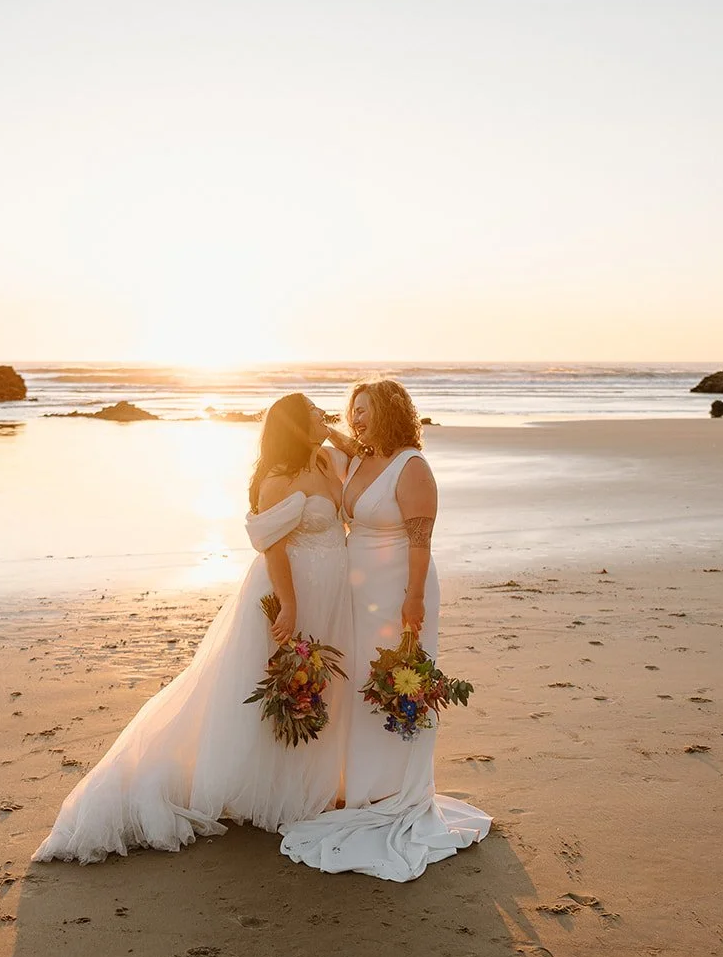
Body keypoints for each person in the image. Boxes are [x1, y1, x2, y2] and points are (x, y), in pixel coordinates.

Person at [33, 394, 353, 863]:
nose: (322, 416)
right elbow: (273, 549)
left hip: (331, 593)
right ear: (294, 426)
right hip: (294, 591)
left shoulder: (325, 459)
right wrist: (288, 605)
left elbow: (359, 456)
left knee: (318, 687)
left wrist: (332, 432)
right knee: (278, 689)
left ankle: (310, 782)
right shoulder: (278, 480)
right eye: (313, 413)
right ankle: (271, 789)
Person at [280, 378, 491, 882]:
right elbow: (344, 444)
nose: (356, 418)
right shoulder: (359, 460)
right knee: (360, 684)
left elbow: (421, 540)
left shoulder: (411, 466)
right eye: (352, 409)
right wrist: (328, 429)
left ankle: (398, 791)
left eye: (366, 410)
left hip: (401, 586)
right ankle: (363, 787)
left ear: (390, 412)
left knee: (398, 683)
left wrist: (413, 599)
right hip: (359, 592)